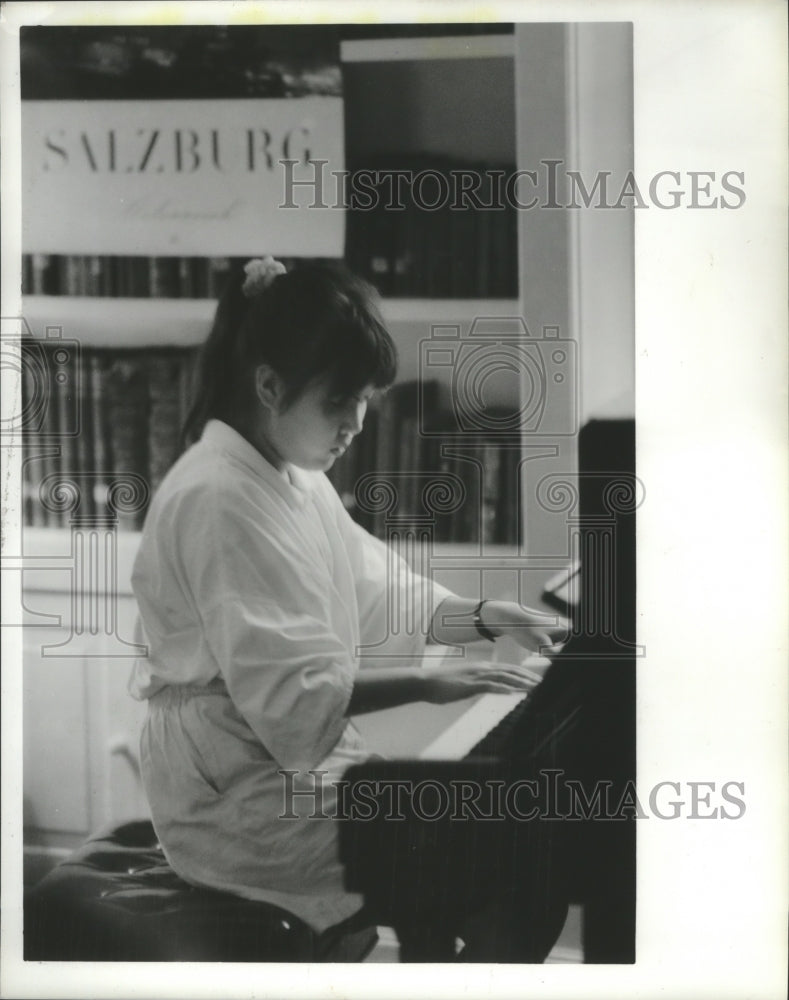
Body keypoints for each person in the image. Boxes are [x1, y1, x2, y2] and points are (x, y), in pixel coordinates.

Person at [128, 256, 567, 957]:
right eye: (339, 402)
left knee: (507, 842)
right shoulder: (219, 498)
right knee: (516, 857)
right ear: (268, 385)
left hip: (279, 769)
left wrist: (488, 615)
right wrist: (425, 684)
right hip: (235, 802)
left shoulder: (288, 476)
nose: (357, 423)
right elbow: (292, 700)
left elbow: (378, 586)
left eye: (366, 400)